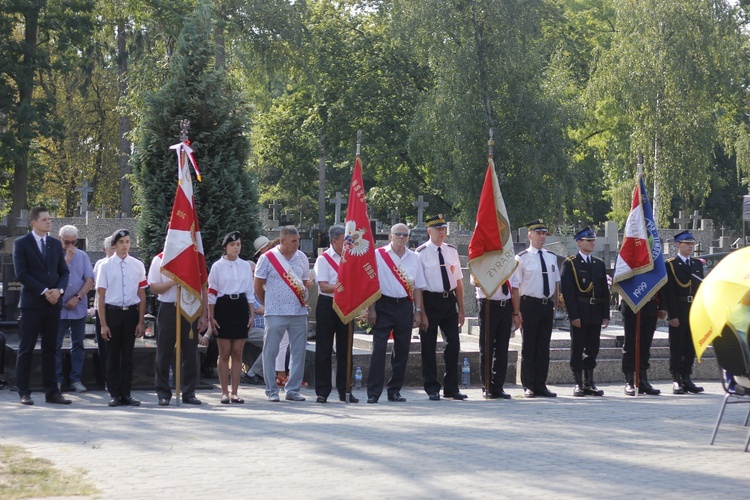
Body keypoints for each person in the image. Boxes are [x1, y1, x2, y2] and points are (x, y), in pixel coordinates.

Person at [13, 206, 71, 405]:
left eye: (49, 219)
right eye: (45, 219)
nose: (49, 222)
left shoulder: (55, 244)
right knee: (26, 348)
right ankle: (24, 392)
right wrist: (44, 290)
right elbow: (21, 273)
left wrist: (59, 291)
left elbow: (63, 272)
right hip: (32, 304)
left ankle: (52, 392)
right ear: (34, 223)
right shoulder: (21, 243)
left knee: (51, 348)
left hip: (53, 305)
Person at [366, 223, 426, 404]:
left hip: (405, 306)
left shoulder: (415, 257)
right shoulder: (378, 255)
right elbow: (371, 284)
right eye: (398, 234)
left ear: (409, 237)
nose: (401, 237)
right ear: (390, 236)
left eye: (405, 235)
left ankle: (394, 390)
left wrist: (418, 311)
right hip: (383, 304)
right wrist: (371, 308)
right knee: (379, 349)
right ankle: (373, 393)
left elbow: (417, 287)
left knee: (402, 350)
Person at [254, 226, 310, 402]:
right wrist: (267, 304)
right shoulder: (267, 258)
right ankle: (271, 390)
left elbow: (305, 283)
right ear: (283, 240)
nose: (297, 244)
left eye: (298, 240)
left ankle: (292, 389)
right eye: (294, 241)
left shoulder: (302, 258)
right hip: (275, 313)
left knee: (299, 352)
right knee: (270, 351)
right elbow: (258, 285)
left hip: (298, 313)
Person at [149, 248, 209, 406]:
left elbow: (203, 288)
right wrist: (173, 282)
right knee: (164, 351)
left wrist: (203, 315)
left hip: (190, 308)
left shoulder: (194, 260)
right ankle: (163, 393)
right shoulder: (159, 260)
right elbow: (154, 288)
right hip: (169, 307)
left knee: (190, 352)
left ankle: (189, 392)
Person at [416, 214, 466, 401]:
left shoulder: (451, 251)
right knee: (428, 346)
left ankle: (451, 387)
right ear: (429, 231)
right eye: (438, 229)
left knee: (453, 344)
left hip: (448, 301)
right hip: (430, 301)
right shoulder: (420, 253)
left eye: (444, 229)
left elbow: (458, 282)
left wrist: (461, 309)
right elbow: (418, 286)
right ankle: (431, 387)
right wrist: (420, 311)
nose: (442, 232)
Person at [97, 229, 147, 407]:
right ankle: (114, 394)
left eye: (127, 242)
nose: (125, 245)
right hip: (112, 313)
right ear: (114, 245)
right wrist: (103, 324)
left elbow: (141, 294)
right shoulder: (105, 266)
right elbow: (100, 296)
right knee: (112, 356)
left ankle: (126, 393)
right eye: (121, 242)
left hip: (130, 313)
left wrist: (141, 321)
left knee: (128, 356)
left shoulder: (137, 265)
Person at [560, 227, 610, 397]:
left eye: (593, 240)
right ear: (579, 242)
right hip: (580, 312)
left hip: (595, 311)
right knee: (578, 347)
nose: (592, 243)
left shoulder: (598, 264)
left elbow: (604, 291)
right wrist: (573, 315)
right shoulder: (571, 263)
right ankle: (578, 383)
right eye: (588, 240)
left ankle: (590, 382)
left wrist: (605, 314)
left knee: (593, 348)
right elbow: (568, 292)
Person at [513, 219, 560, 398]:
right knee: (529, 346)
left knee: (543, 347)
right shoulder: (522, 257)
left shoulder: (551, 256)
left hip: (546, 305)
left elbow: (555, 284)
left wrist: (555, 306)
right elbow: (516, 287)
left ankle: (541, 384)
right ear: (530, 235)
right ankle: (528, 384)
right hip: (529, 304)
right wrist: (517, 312)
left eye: (544, 234)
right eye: (538, 234)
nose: (542, 237)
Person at [207, 231, 255, 404]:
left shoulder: (244, 266)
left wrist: (251, 314)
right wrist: (211, 316)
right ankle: (224, 392)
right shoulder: (218, 266)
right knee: (225, 351)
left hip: (240, 306)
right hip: (223, 306)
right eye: (232, 245)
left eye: (238, 245)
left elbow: (250, 292)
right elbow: (211, 292)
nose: (236, 248)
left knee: (237, 352)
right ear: (225, 247)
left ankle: (235, 392)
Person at [314, 224, 359, 403]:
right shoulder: (323, 259)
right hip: (327, 304)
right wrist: (345, 287)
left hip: (346, 304)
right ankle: (322, 392)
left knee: (346, 349)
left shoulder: (352, 258)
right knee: (324, 349)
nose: (348, 243)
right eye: (344, 240)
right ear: (334, 241)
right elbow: (323, 285)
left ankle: (345, 390)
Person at [55, 225, 95, 393]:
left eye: (74, 242)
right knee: (55, 344)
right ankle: (56, 379)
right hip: (58, 306)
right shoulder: (53, 255)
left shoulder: (83, 256)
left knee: (78, 343)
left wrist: (77, 297)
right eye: (67, 242)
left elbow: (89, 280)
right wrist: (67, 260)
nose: (71, 246)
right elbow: (52, 277)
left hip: (77, 305)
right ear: (59, 239)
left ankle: (76, 378)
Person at [664, 230, 704, 394]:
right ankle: (676, 379)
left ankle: (687, 377)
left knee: (690, 345)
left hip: (694, 309)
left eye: (692, 244)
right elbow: (669, 292)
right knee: (677, 345)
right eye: (687, 244)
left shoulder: (696, 264)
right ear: (678, 245)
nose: (690, 247)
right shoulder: (671, 265)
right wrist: (672, 315)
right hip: (679, 308)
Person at [474, 274, 520, 399]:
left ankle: (498, 386)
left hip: (505, 306)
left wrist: (516, 313)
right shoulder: (482, 259)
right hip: (488, 305)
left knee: (502, 348)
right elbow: (476, 282)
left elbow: (515, 288)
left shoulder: (508, 261)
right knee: (486, 347)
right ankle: (487, 386)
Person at [621, 290, 667, 396]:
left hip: (650, 306)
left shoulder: (654, 271)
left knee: (645, 346)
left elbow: (660, 282)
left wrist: (663, 306)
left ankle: (642, 380)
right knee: (630, 345)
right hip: (631, 305)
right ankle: (629, 381)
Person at [93, 236, 114, 387]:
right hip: (102, 307)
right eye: (112, 248)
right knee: (104, 345)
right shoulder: (101, 264)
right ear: (105, 249)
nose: (115, 251)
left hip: (119, 308)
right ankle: (105, 378)